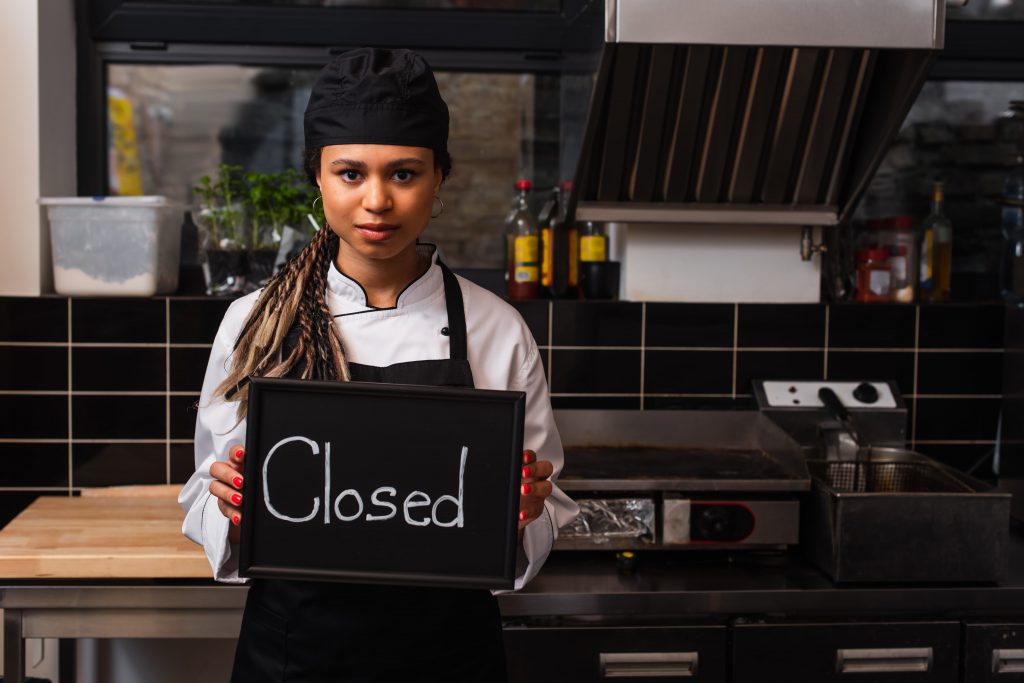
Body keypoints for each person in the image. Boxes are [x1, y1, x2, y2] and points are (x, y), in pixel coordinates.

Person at [177, 47, 578, 682]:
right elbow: (205, 494)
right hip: (294, 656)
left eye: (403, 173)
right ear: (318, 176)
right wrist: (229, 503)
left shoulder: (496, 328)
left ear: (439, 178)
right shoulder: (256, 323)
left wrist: (527, 511)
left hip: (449, 657)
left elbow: (544, 513)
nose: (377, 202)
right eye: (351, 173)